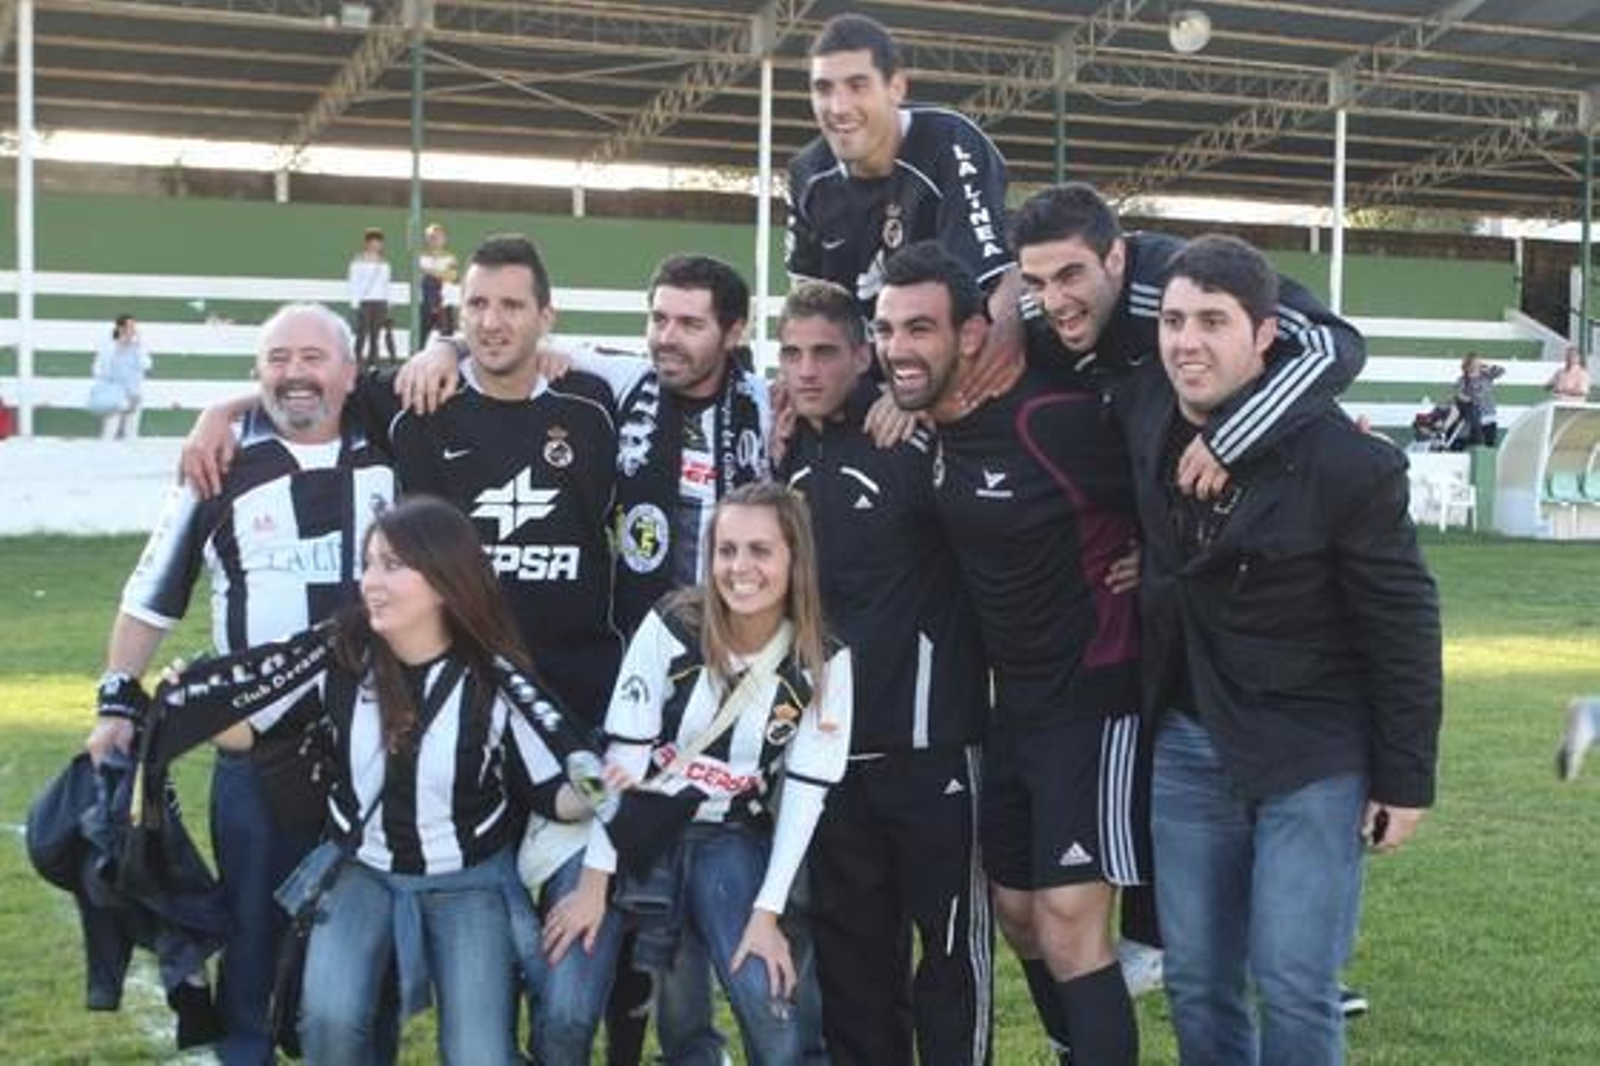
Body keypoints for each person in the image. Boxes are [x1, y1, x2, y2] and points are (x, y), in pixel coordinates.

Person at [1006, 180, 1370, 1000]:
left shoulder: (1180, 279)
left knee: (1302, 730)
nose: (1052, 300)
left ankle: (1312, 960)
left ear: (1116, 256)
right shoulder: (1039, 317)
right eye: (1035, 281)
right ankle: (1162, 932)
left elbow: (1335, 346)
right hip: (1171, 569)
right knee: (1168, 725)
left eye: (1069, 276)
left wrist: (1235, 438)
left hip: (1292, 527)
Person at [1118, 234, 1441, 1065]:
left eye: (1213, 322)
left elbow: (1403, 623)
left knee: (1295, 979)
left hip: (1312, 750)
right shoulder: (1143, 409)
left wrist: (1405, 780)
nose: (1186, 341)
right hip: (1187, 740)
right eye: (1176, 320)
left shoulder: (1351, 464)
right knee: (1196, 979)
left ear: (1266, 336)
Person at [151, 496, 603, 1063]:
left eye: (392, 565)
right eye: (368, 563)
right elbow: (254, 732)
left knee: (479, 1055)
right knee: (328, 1023)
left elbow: (555, 792)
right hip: (363, 869)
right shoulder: (341, 654)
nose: (371, 581)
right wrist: (197, 706)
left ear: (444, 580)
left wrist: (603, 790)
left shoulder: (493, 677)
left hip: (468, 880)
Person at [84, 302, 395, 1064]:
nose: (296, 374)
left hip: (384, 762)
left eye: (314, 358)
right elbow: (150, 595)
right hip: (259, 761)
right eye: (278, 359)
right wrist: (116, 704)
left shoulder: (397, 452)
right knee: (253, 953)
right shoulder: (216, 467)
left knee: (368, 965)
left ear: (351, 374)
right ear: (256, 376)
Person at [877, 241, 1143, 1065]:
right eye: (886, 329)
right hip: (1013, 709)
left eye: (920, 328)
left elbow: (1165, 473)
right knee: (1019, 913)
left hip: (1095, 698)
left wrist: (1158, 560)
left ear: (971, 333)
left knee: (1069, 923)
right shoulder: (927, 425)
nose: (897, 348)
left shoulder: (1050, 416)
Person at [550, 482, 852, 1066]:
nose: (740, 568)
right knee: (565, 1015)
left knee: (771, 1010)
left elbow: (805, 798)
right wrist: (593, 887)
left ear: (796, 558)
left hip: (727, 834)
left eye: (760, 550)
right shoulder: (671, 625)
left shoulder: (826, 657)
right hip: (630, 830)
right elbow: (624, 766)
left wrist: (767, 916)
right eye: (726, 549)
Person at [777, 280, 993, 1065]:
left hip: (933, 750)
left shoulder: (915, 436)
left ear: (863, 355)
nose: (806, 371)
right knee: (854, 974)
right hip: (831, 760)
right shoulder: (785, 453)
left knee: (947, 965)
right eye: (792, 354)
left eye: (825, 352)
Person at [786, 12, 1023, 394]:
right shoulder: (808, 174)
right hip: (867, 381)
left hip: (948, 372)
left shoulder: (950, 142)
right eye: (823, 88)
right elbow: (808, 307)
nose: (838, 106)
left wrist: (913, 396)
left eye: (857, 85)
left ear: (895, 86)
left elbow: (1001, 289)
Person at [91, 314, 152, 440]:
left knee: (131, 432)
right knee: (109, 431)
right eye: (130, 326)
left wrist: (138, 347)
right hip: (114, 393)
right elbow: (97, 369)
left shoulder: (138, 348)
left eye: (134, 327)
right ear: (120, 328)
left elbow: (146, 365)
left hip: (133, 393)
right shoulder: (108, 346)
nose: (133, 330)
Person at [348, 226, 397, 367]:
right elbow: (354, 282)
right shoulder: (358, 261)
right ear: (367, 243)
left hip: (380, 302)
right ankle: (356, 364)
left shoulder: (384, 263)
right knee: (362, 335)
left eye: (379, 242)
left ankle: (372, 365)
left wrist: (389, 302)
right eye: (373, 241)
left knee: (375, 337)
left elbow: (387, 284)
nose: (376, 245)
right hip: (364, 302)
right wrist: (355, 303)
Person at [418, 222, 460, 347]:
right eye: (432, 237)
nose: (436, 240)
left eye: (439, 236)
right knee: (420, 342)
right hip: (425, 305)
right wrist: (441, 273)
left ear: (444, 239)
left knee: (447, 342)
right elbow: (419, 278)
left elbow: (453, 276)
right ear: (427, 239)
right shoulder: (420, 257)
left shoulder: (450, 258)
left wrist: (429, 271)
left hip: (444, 304)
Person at [1455, 351, 1505, 447]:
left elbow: (1501, 371)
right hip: (1475, 417)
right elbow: (1459, 395)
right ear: (1469, 365)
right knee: (1475, 443)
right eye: (1475, 362)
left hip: (1489, 414)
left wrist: (1488, 367)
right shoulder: (1463, 380)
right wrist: (1470, 399)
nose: (1478, 364)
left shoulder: (1486, 376)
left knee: (1490, 443)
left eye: (1478, 362)